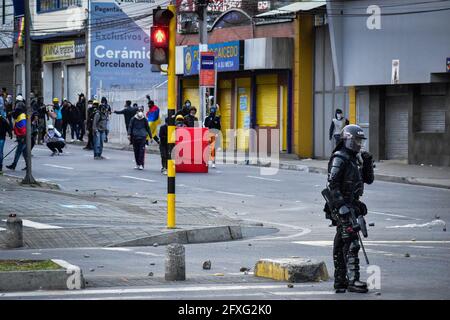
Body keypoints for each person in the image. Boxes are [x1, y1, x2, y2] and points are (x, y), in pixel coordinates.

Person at [324, 124, 374, 294]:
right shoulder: (340, 157)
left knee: (341, 242)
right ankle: (353, 280)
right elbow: (332, 185)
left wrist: (367, 162)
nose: (360, 144)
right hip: (341, 207)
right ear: (349, 140)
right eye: (357, 140)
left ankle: (340, 281)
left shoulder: (355, 158)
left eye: (361, 140)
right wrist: (342, 206)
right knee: (352, 242)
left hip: (351, 204)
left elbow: (367, 180)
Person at [6, 98, 27, 171]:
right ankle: (28, 165)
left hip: (23, 137)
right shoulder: (20, 116)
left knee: (18, 151)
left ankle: (14, 165)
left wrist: (23, 137)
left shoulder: (22, 117)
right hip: (22, 137)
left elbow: (23, 129)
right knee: (24, 152)